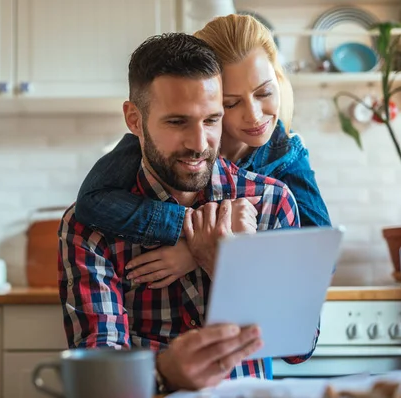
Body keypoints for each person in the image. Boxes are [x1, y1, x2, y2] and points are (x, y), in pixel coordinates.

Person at [58, 32, 318, 393]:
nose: (199, 144)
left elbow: (298, 347)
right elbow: (101, 377)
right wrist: (164, 373)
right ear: (134, 120)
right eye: (177, 122)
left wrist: (228, 268)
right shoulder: (89, 226)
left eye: (211, 120)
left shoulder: (272, 201)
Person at [74, 15, 331, 288]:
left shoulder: (286, 155)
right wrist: (193, 224)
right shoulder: (163, 149)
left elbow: (321, 257)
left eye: (264, 93)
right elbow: (91, 203)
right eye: (231, 104)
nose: (255, 116)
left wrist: (196, 252)